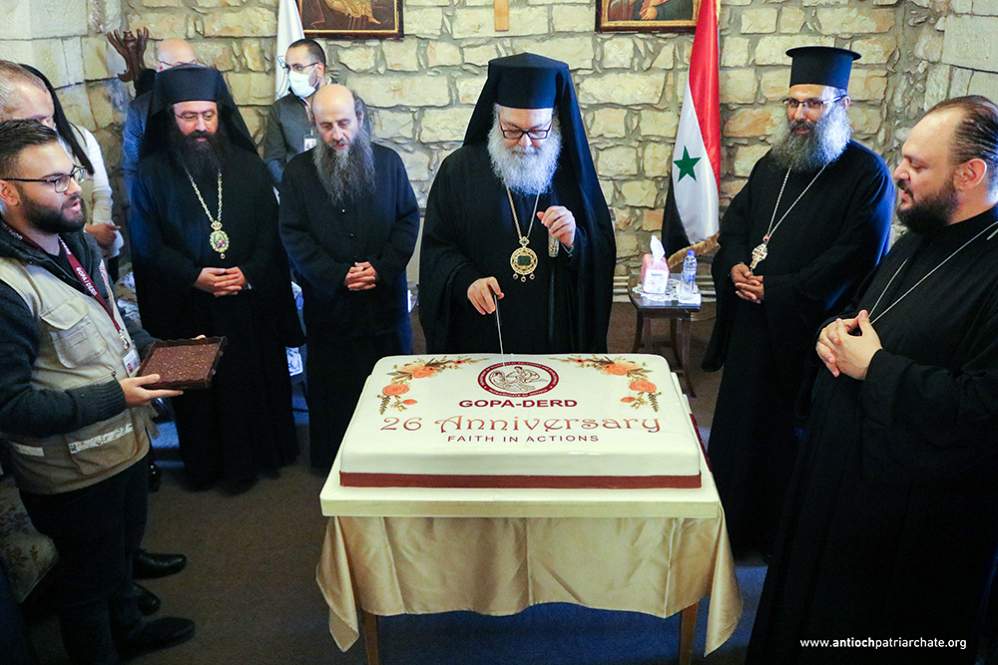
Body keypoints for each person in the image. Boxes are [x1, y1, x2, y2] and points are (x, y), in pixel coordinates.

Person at [747, 95, 998, 665]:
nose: (898, 173)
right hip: (840, 476)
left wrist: (876, 368)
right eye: (902, 158)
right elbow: (866, 316)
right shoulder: (920, 236)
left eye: (917, 164)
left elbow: (985, 407)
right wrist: (831, 334)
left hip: (911, 523)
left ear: (970, 174)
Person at [0, 119, 195, 664]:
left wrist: (165, 352)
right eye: (54, 181)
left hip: (123, 444)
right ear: (7, 192)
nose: (73, 190)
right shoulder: (6, 286)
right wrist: (119, 396)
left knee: (122, 556)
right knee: (87, 584)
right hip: (71, 471)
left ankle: (128, 631)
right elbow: (11, 407)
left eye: (72, 174)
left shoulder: (75, 243)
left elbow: (110, 321)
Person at [702, 46, 894, 555]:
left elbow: (856, 255)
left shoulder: (867, 174)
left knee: (786, 435)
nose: (799, 114)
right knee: (739, 427)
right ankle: (729, 528)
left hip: (807, 332)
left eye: (812, 103)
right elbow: (737, 224)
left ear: (842, 104)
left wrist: (781, 289)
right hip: (752, 326)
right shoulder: (774, 163)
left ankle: (775, 540)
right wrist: (735, 265)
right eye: (792, 102)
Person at [130, 65, 304, 492]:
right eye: (188, 116)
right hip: (188, 306)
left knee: (252, 379)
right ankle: (208, 466)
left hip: (246, 302)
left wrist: (248, 273)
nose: (200, 126)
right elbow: (146, 243)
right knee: (200, 392)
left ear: (219, 114)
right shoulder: (151, 173)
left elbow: (270, 232)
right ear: (170, 118)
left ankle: (265, 455)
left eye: (207, 115)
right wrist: (194, 276)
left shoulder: (248, 166)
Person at [419, 53, 615, 354]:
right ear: (496, 117)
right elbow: (438, 248)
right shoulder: (458, 171)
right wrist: (466, 280)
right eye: (512, 130)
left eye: (537, 131)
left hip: (553, 333)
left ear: (554, 121)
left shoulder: (572, 173)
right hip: (482, 328)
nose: (524, 143)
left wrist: (574, 240)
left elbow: (601, 254)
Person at [279, 84, 418, 469]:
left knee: (392, 388)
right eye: (326, 126)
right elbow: (293, 234)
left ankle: (395, 461)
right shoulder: (298, 173)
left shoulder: (388, 162)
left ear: (359, 118)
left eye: (344, 123)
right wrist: (338, 275)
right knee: (335, 392)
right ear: (313, 124)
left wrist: (382, 268)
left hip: (383, 303)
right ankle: (340, 463)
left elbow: (407, 219)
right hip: (331, 307)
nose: (337, 135)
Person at [20, 65, 125, 282]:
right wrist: (88, 232)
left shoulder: (80, 137)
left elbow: (101, 191)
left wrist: (100, 229)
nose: (46, 127)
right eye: (36, 120)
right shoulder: (17, 159)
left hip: (98, 242)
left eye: (49, 118)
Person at [121, 38, 199, 199]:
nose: (188, 74)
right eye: (180, 67)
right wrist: (139, 206)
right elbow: (133, 167)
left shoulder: (210, 102)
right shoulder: (140, 110)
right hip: (159, 198)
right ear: (161, 69)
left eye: (193, 65)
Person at [264, 38, 332, 186]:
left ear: (319, 69)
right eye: (288, 68)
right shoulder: (280, 109)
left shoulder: (348, 104)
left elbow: (358, 156)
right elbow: (273, 160)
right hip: (294, 190)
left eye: (298, 68)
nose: (291, 75)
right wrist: (291, 190)